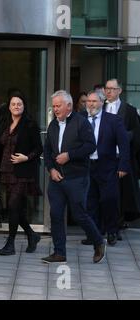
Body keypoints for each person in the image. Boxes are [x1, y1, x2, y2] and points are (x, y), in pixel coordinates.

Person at [43, 90, 106, 264]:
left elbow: (90, 146)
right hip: (56, 179)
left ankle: (98, 241)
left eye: (58, 106)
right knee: (55, 214)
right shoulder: (53, 125)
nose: (55, 109)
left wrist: (70, 155)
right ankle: (59, 253)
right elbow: (47, 150)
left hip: (76, 177)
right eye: (54, 106)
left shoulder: (81, 122)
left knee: (79, 214)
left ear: (69, 106)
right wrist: (50, 169)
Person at [0, 91, 43, 256]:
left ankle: (10, 243)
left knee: (14, 205)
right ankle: (31, 234)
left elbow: (39, 148)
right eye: (13, 104)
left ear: (24, 106)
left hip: (22, 172)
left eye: (19, 104)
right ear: (9, 106)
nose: (16, 107)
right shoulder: (4, 123)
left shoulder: (30, 125)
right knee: (14, 208)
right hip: (5, 171)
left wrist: (26, 157)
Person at [81, 90, 130, 246]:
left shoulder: (113, 120)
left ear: (102, 102)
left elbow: (123, 144)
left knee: (109, 199)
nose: (91, 104)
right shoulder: (80, 119)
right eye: (89, 101)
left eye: (94, 101)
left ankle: (112, 231)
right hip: (87, 166)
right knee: (90, 201)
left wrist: (123, 165)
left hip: (107, 166)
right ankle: (94, 235)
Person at [104, 79, 140, 238]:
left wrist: (126, 136)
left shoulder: (129, 110)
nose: (109, 91)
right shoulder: (100, 107)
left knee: (118, 194)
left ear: (119, 91)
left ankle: (115, 227)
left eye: (112, 88)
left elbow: (137, 133)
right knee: (103, 193)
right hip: (102, 158)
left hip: (120, 158)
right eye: (107, 88)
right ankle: (103, 226)